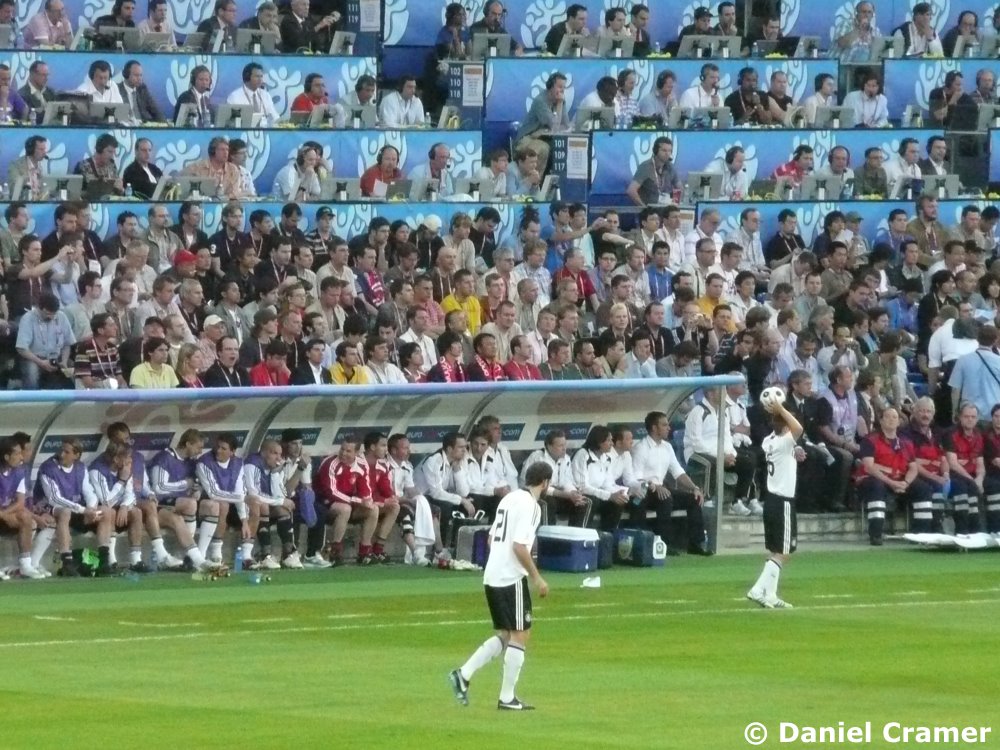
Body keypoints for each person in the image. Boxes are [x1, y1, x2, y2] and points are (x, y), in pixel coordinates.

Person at [449, 461, 552, 712]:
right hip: (509, 577)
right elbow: (519, 546)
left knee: (507, 634)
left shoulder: (509, 498)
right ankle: (507, 698)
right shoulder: (532, 506)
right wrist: (536, 577)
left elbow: (491, 538)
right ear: (545, 482)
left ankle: (463, 674)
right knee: (520, 634)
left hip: (493, 574)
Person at [746, 394, 804, 609]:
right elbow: (798, 429)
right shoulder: (783, 441)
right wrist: (781, 409)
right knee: (784, 553)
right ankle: (757, 589)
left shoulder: (768, 441)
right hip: (783, 502)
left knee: (775, 550)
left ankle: (770, 594)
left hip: (771, 501)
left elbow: (791, 439)